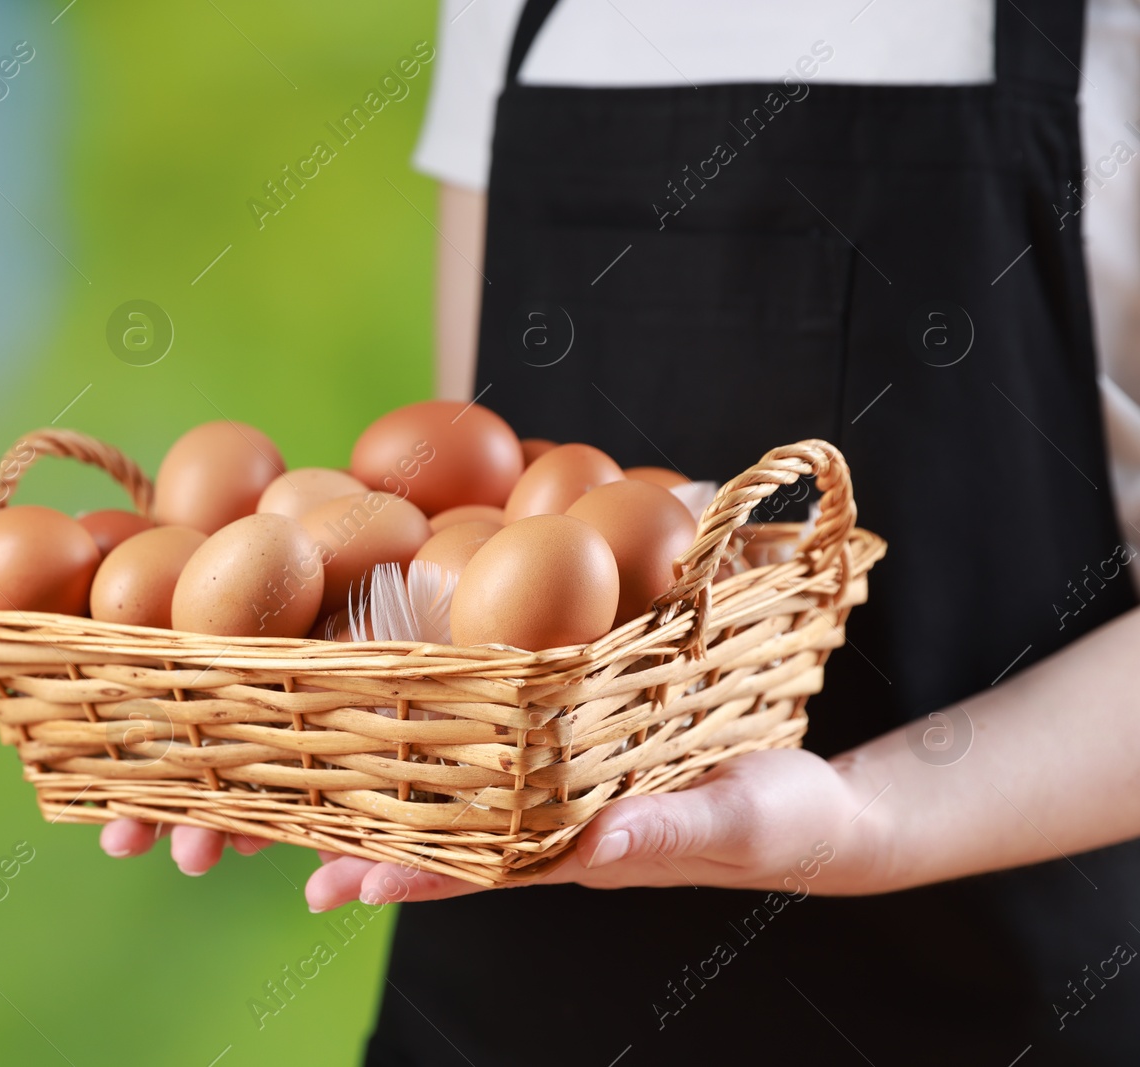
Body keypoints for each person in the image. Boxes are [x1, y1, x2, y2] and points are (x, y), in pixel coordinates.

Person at [102, 1, 1140, 1061]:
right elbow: (483, 491)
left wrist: (863, 815)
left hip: (985, 1002)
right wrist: (342, 729)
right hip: (500, 1005)